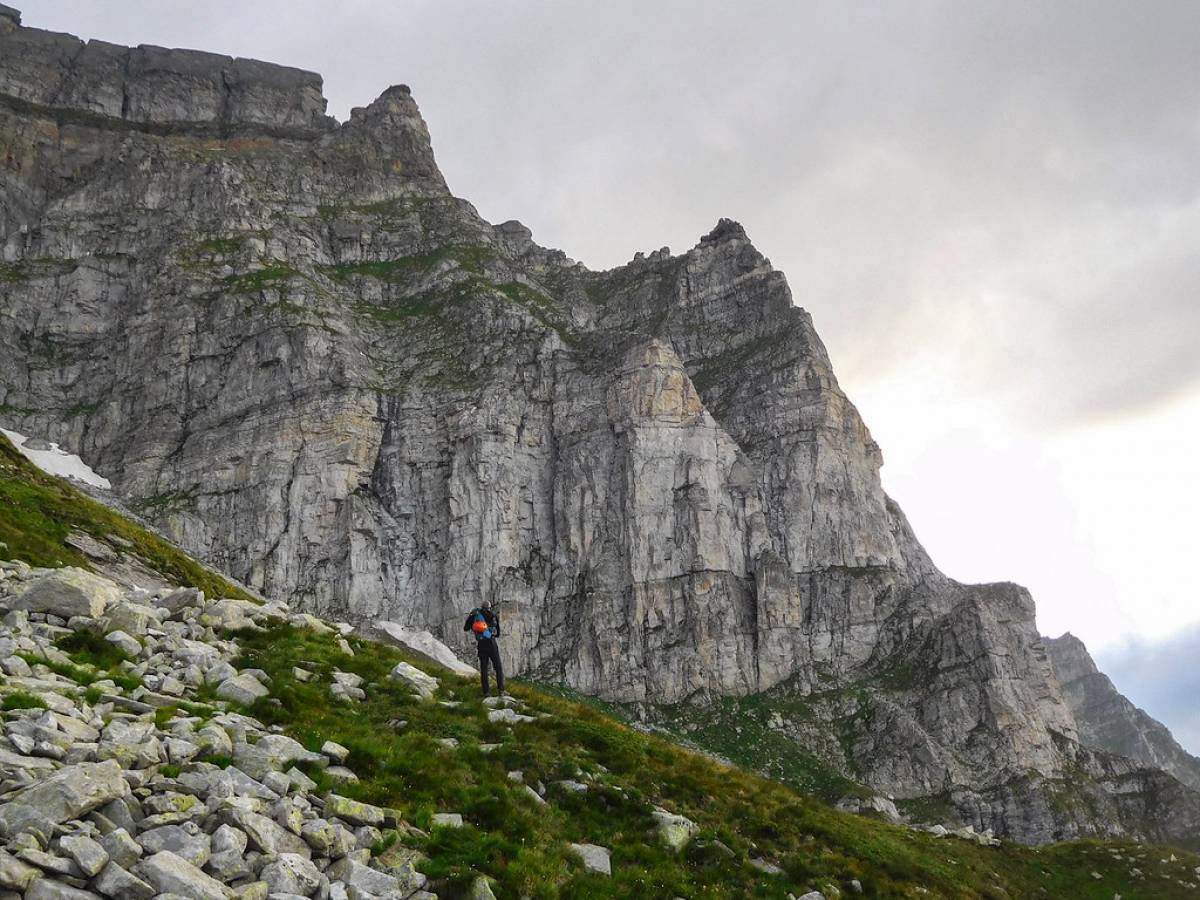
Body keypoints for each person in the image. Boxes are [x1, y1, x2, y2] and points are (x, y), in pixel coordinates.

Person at [463, 599, 504, 696]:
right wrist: (489, 632)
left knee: (484, 668)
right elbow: (498, 633)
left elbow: (466, 628)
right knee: (498, 667)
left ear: (481, 607)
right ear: (490, 607)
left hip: (481, 644)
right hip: (491, 643)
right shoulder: (493, 615)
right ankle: (501, 690)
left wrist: (473, 621)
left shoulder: (475, 615)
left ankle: (486, 692)